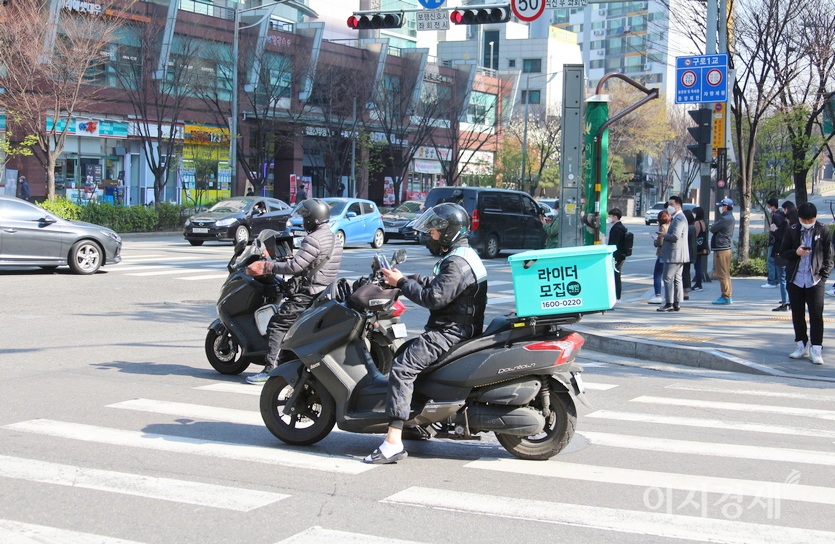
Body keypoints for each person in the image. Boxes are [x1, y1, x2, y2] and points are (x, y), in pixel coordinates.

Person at [365, 203, 487, 464]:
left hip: (450, 332)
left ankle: (392, 442)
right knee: (406, 351)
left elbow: (434, 297)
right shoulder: (463, 254)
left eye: (433, 230)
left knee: (402, 367)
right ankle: (415, 422)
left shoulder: (457, 261)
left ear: (447, 232)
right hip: (458, 328)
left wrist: (402, 283)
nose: (430, 233)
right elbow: (439, 284)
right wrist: (406, 278)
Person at [244, 198, 343, 383]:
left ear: (313, 219)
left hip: (308, 294)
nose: (303, 220)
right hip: (324, 291)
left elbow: (294, 267)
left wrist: (269, 266)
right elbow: (311, 262)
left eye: (305, 217)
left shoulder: (313, 238)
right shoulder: (333, 237)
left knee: (277, 324)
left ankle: (270, 370)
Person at [778, 202, 833, 365]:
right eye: (805, 220)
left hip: (815, 280)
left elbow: (829, 256)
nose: (808, 223)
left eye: (811, 220)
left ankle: (816, 349)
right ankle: (801, 345)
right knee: (798, 314)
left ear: (815, 218)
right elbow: (783, 252)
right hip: (796, 279)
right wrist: (797, 252)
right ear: (799, 218)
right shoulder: (792, 230)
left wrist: (823, 276)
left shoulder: (823, 230)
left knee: (816, 315)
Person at [658, 196, 688, 312]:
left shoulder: (679, 218)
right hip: (678, 254)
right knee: (677, 278)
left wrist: (663, 235)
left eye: (671, 204)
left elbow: (675, 236)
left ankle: (669, 303)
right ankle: (676, 303)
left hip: (674, 254)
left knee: (668, 277)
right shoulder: (679, 217)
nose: (669, 207)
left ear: (678, 205)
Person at [772, 201, 796, 311]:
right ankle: (790, 301)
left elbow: (781, 237)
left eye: (783, 209)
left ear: (786, 209)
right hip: (792, 254)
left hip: (782, 254)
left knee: (783, 279)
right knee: (790, 279)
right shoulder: (796, 222)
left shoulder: (786, 223)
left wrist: (775, 230)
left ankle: (785, 302)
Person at [711, 198, 735, 305]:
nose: (720, 208)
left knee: (722, 274)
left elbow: (713, 228)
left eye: (721, 206)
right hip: (725, 248)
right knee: (726, 274)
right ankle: (727, 295)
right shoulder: (729, 217)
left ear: (725, 207)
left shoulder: (725, 219)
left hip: (722, 248)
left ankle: (726, 296)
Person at [648, 209, 671, 304]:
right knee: (668, 275)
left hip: (662, 253)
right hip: (669, 253)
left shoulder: (662, 227)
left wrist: (655, 242)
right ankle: (667, 295)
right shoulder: (671, 225)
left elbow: (660, 242)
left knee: (657, 274)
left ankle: (658, 294)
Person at [762, 198, 785, 289]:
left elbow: (778, 229)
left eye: (768, 206)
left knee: (771, 261)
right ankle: (777, 280)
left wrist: (773, 230)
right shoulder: (781, 214)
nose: (768, 208)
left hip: (774, 241)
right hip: (778, 242)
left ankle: (772, 281)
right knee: (775, 262)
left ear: (772, 206)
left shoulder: (776, 216)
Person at [606, 208, 628, 302]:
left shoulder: (617, 229)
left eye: (610, 216)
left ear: (615, 217)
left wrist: (612, 255)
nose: (609, 218)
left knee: (615, 275)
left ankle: (616, 296)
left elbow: (614, 244)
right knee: (616, 275)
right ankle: (616, 295)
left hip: (617, 256)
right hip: (620, 255)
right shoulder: (620, 227)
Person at [691, 206, 709, 292]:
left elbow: (695, 235)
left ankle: (698, 284)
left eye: (694, 212)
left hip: (697, 247)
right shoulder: (703, 222)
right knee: (698, 265)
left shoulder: (697, 223)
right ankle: (698, 283)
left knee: (697, 266)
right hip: (702, 246)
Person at [681, 209, 697, 301]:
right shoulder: (692, 227)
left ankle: (684, 292)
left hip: (685, 253)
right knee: (686, 272)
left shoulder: (688, 228)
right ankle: (685, 292)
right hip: (690, 253)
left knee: (684, 273)